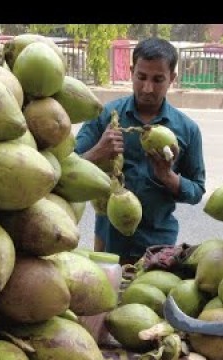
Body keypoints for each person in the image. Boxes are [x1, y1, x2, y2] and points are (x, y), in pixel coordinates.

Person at [74, 37, 206, 265]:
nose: (147, 88)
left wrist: (169, 177)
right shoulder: (106, 116)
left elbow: (196, 190)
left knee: (149, 299)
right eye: (141, 77)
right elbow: (68, 167)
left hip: (157, 245)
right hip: (107, 242)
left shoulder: (187, 129)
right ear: (132, 72)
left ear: (172, 79)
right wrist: (97, 152)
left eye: (158, 80)